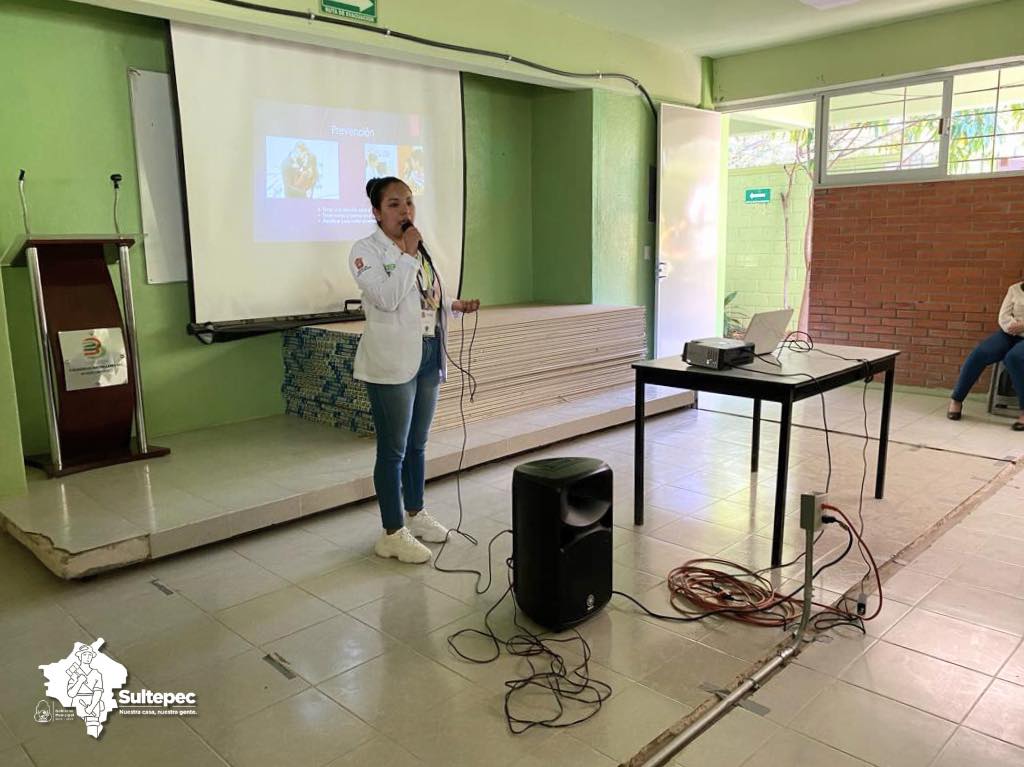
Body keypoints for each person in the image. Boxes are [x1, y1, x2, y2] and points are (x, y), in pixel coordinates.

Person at [349, 176, 481, 563]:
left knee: (418, 445)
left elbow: (422, 294)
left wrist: (452, 305)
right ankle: (391, 532)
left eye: (408, 202)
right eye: (393, 204)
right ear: (376, 212)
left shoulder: (417, 251)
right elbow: (388, 298)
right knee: (393, 451)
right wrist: (408, 252)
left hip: (427, 351)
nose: (405, 211)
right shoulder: (364, 251)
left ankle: (416, 512)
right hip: (391, 360)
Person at [948, 281, 1024, 430]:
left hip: (1019, 332)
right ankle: (956, 399)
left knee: (1014, 358)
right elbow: (1003, 316)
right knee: (980, 353)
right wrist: (1015, 327)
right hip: (1009, 333)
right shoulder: (1014, 289)